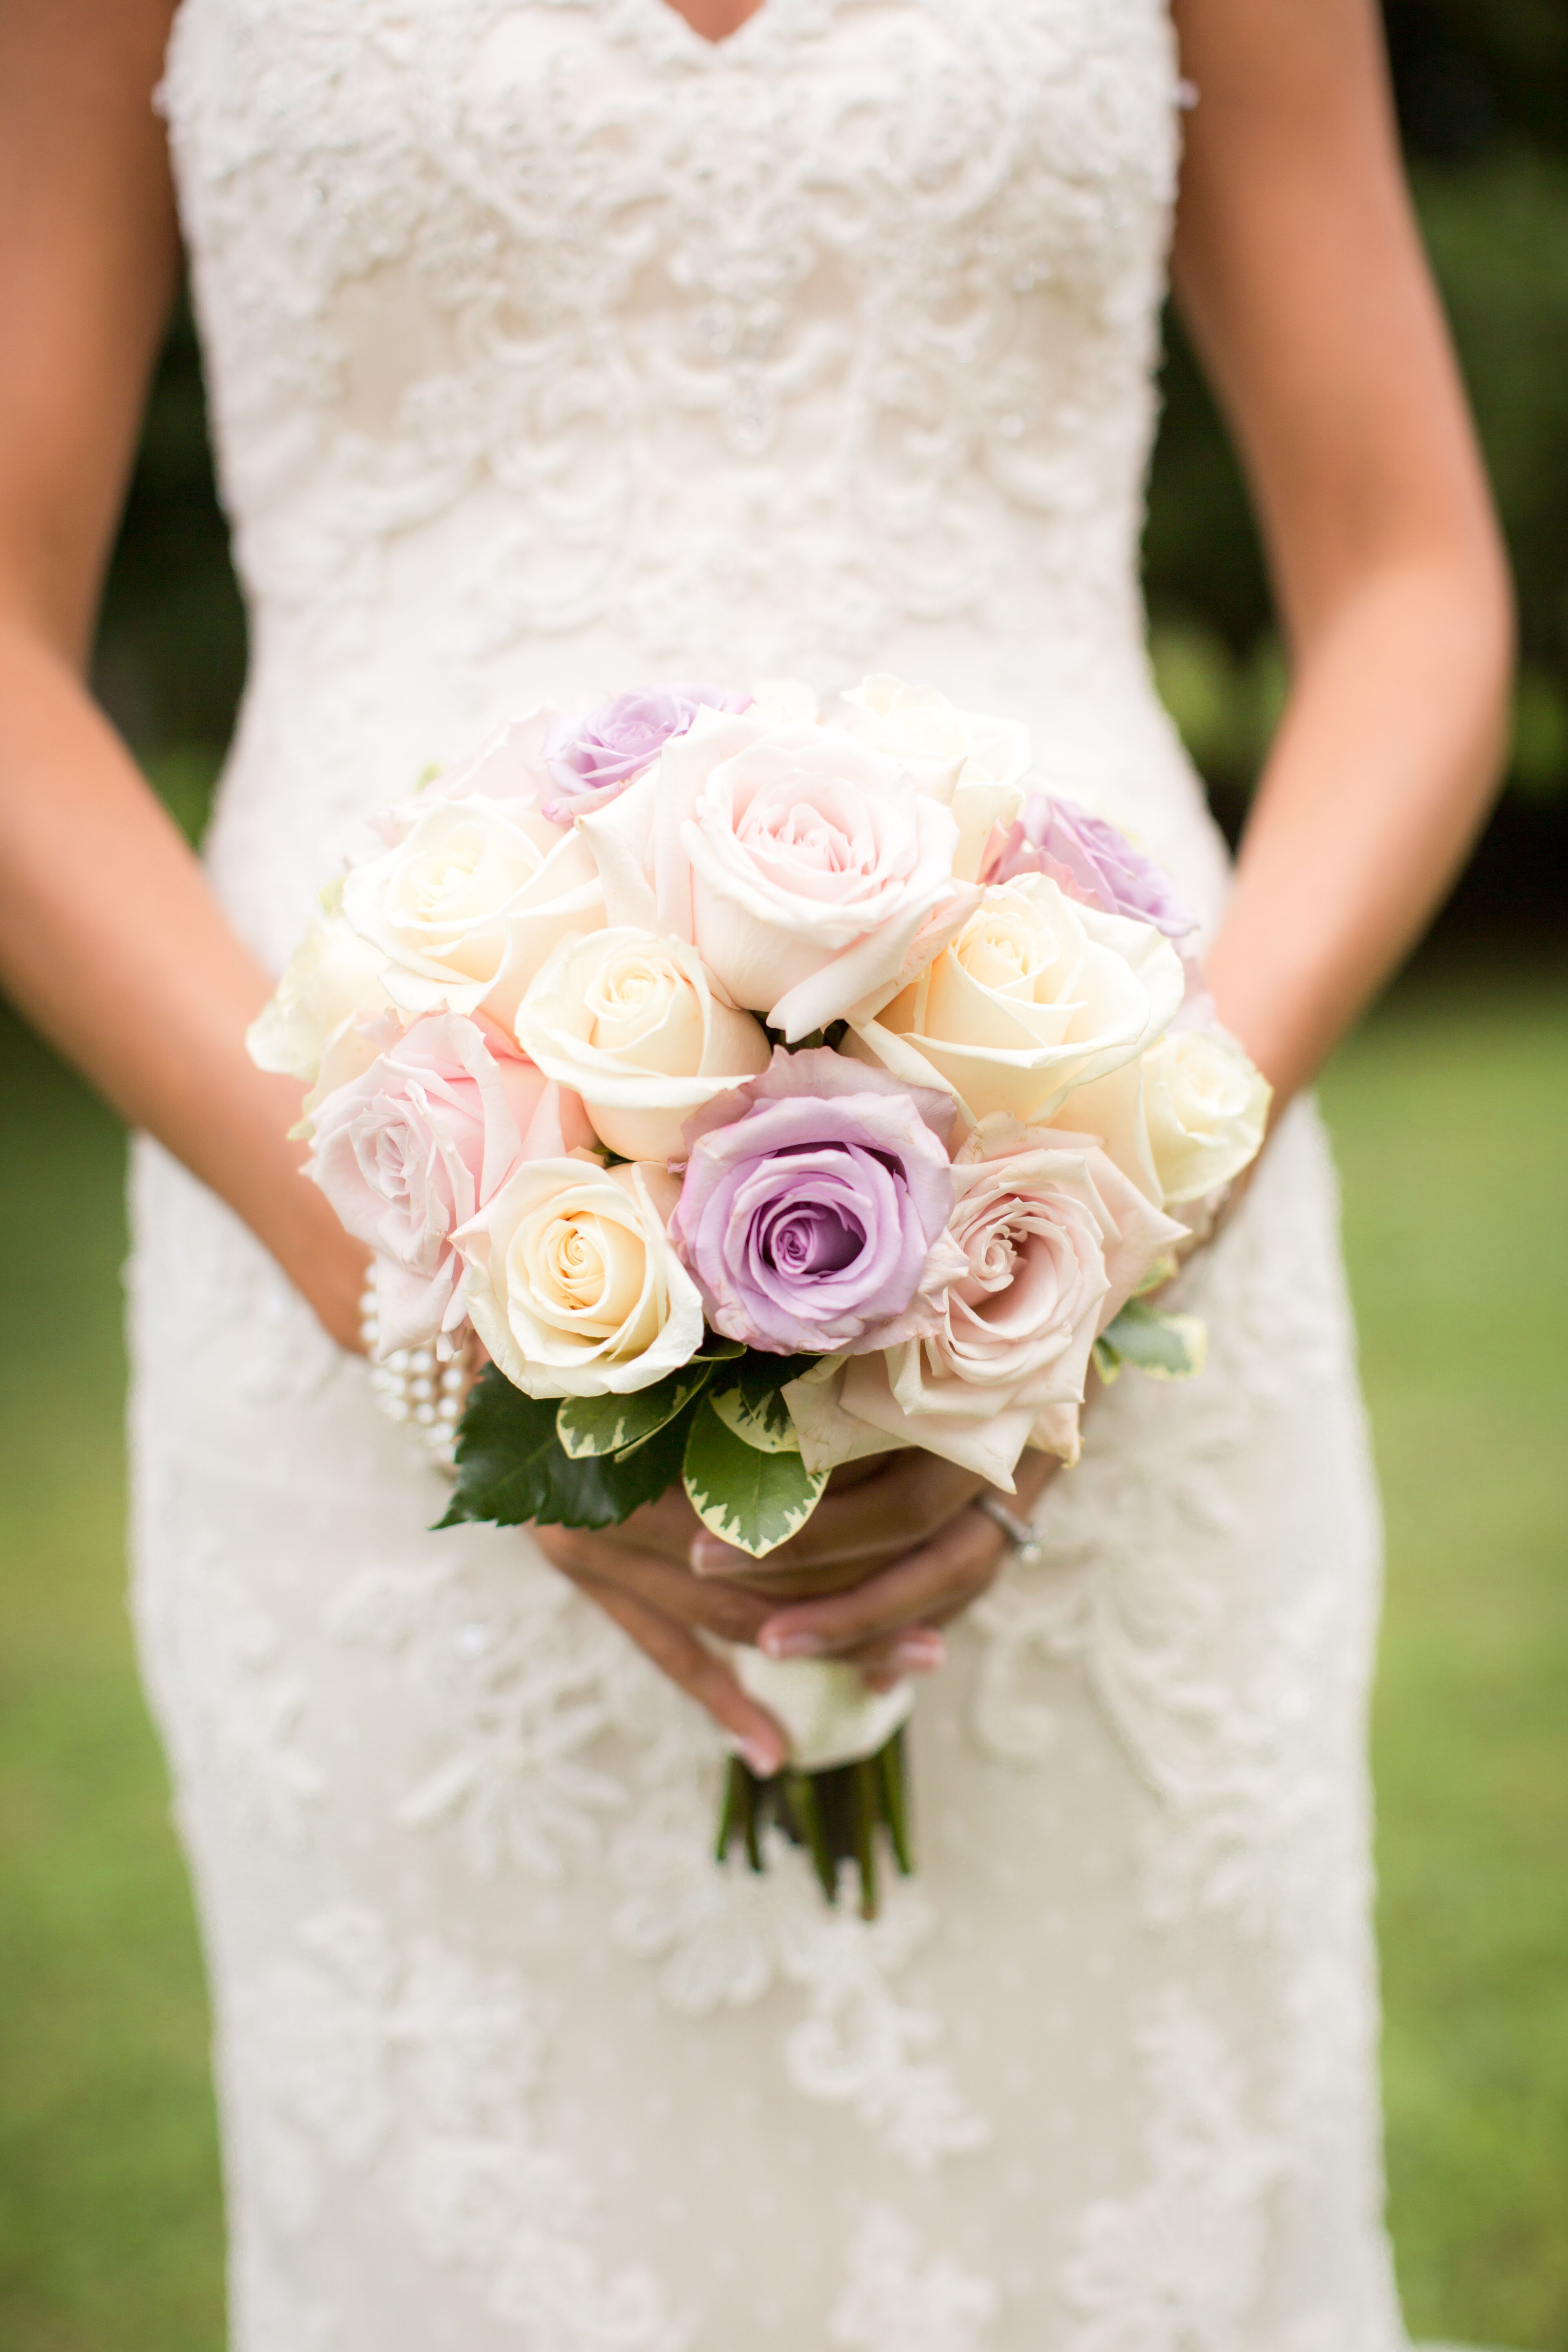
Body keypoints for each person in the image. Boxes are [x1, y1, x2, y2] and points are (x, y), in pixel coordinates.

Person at [0, 0, 1511, 2343]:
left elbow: (1417, 579)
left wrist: (1134, 1169)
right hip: (352, 1230)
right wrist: (420, 1293)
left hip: (1107, 1243)